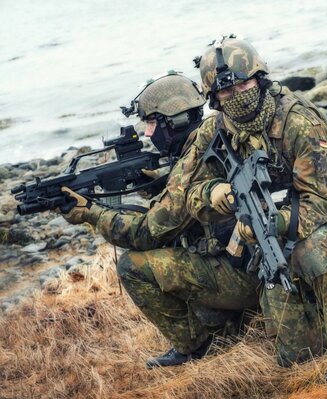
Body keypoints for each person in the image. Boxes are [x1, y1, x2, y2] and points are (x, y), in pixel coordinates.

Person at [185, 35, 327, 382]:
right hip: (264, 231)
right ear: (213, 98)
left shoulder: (297, 121)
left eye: (243, 83)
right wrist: (215, 194)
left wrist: (273, 224)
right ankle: (320, 316)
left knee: (317, 251)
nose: (236, 94)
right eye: (225, 92)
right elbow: (189, 193)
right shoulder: (213, 131)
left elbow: (324, 200)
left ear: (259, 78)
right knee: (295, 355)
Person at [59, 71, 262, 368]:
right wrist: (158, 184)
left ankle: (195, 344)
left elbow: (146, 234)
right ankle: (226, 318)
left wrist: (90, 213)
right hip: (257, 267)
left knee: (132, 266)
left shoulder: (193, 160)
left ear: (176, 121)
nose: (147, 133)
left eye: (152, 122)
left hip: (247, 279)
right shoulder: (212, 137)